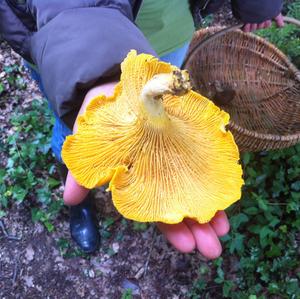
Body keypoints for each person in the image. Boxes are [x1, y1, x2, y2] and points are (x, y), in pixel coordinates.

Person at [0, 0, 284, 257]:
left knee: (163, 96)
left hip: (171, 29)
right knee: (73, 131)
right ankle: (80, 203)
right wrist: (88, 40)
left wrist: (260, 5)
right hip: (56, 35)